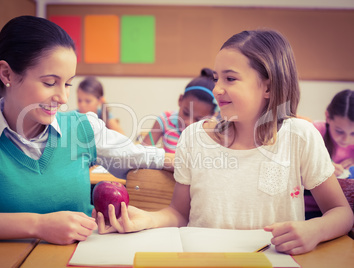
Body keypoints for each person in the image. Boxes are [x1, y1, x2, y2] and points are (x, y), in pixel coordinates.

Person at [95, 29, 354, 255]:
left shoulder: (300, 136)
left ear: (268, 87)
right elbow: (180, 213)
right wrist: (147, 219)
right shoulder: (194, 138)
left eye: (230, 79)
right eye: (217, 78)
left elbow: (342, 213)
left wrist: (315, 229)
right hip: (203, 261)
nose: (217, 88)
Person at [0, 16, 173, 245]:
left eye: (68, 84)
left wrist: (185, 159)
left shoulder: (82, 128)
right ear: (7, 74)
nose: (63, 98)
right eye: (49, 83)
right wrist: (37, 225)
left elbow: (142, 155)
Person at [142, 68, 218, 153]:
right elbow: (141, 153)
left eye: (198, 119)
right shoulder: (165, 120)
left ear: (213, 115)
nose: (189, 122)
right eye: (186, 113)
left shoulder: (213, 130)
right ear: (180, 100)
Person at [304, 89, 354, 219]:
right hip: (307, 209)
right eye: (339, 131)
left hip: (344, 212)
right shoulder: (314, 131)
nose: (346, 140)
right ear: (327, 117)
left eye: (353, 134)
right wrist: (325, 167)